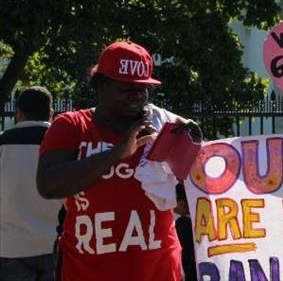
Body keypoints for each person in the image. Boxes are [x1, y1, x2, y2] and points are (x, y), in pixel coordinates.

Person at [36, 41, 196, 281]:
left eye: (142, 88)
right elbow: (48, 185)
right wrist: (117, 153)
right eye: (126, 88)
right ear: (101, 86)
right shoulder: (72, 126)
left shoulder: (164, 127)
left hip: (158, 271)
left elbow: (197, 189)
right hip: (85, 272)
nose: (137, 95)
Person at [0, 86, 63, 281]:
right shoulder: (65, 144)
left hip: (11, 246)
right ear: (51, 113)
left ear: (19, 113)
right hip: (56, 244)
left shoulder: (2, 143)